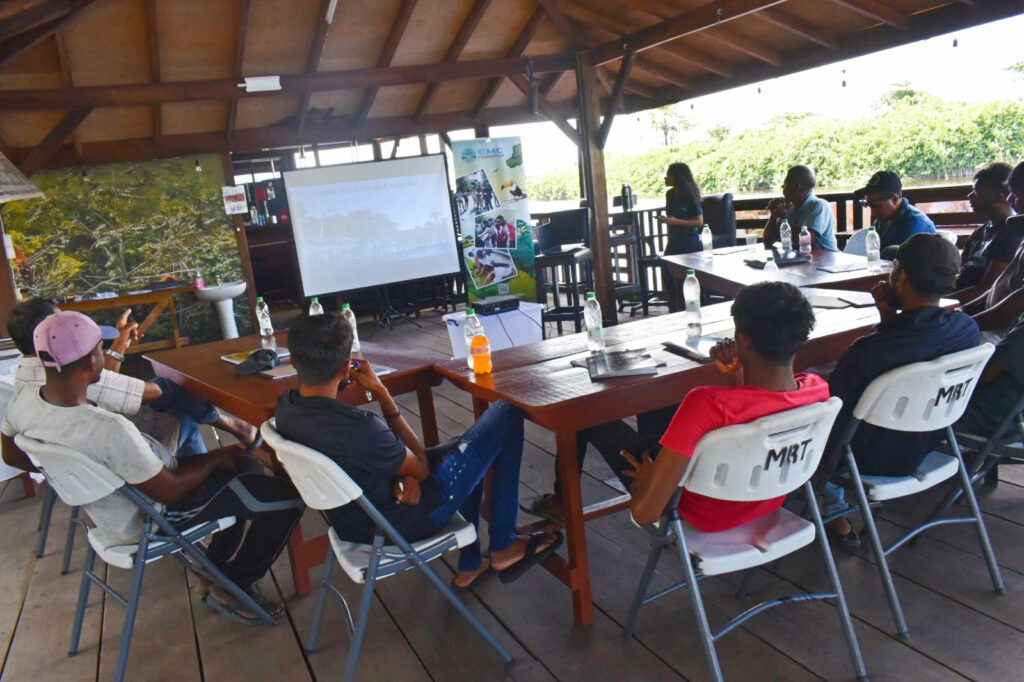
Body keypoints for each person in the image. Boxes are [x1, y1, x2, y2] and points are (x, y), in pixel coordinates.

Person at [0, 311, 303, 623]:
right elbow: (170, 491)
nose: (104, 356)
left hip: (119, 504)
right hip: (149, 517)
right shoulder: (106, 428)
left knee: (246, 467)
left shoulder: (23, 402)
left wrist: (69, 473)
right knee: (287, 498)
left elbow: (12, 456)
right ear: (92, 361)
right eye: (101, 350)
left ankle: (216, 571)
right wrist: (214, 458)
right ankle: (234, 585)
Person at [273, 313, 562, 589]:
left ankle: (470, 564)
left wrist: (400, 477)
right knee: (507, 410)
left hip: (358, 521)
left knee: (467, 446)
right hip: (406, 522)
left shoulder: (286, 410)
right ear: (346, 368)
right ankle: (503, 543)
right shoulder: (360, 429)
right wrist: (382, 394)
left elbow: (368, 463)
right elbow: (421, 467)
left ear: (294, 362)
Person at [525, 283, 826, 532]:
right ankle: (661, 463)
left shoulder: (705, 403)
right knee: (658, 409)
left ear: (744, 340)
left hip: (691, 512)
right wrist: (735, 377)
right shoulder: (817, 390)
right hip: (763, 501)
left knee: (586, 414)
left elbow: (644, 515)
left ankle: (563, 503)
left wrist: (649, 482)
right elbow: (753, 410)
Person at [823, 233, 979, 545]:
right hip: (927, 445)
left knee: (809, 419)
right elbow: (907, 345)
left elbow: (833, 411)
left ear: (902, 277)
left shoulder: (868, 351)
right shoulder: (967, 330)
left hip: (867, 458)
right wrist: (887, 318)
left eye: (894, 267)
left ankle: (834, 512)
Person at [5, 298, 259, 459]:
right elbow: (136, 391)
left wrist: (58, 466)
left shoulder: (25, 380)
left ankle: (232, 431)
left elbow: (102, 382)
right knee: (178, 407)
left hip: (80, 464)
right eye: (62, 321)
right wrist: (118, 347)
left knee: (166, 391)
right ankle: (205, 478)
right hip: (127, 460)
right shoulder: (70, 379)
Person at [959, 162, 1024, 334]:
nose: (1010, 199)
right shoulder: (981, 232)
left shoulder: (1012, 234)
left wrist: (960, 324)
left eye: (1017, 194)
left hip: (1000, 330)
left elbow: (1008, 307)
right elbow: (995, 288)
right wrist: (957, 313)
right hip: (982, 318)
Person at [954, 162, 1019, 294]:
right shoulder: (978, 233)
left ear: (1001, 196)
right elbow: (959, 271)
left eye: (976, 192)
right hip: (962, 296)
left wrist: (945, 302)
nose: (970, 196)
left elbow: (987, 289)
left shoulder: (1012, 234)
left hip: (981, 302)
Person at [854, 171, 936, 251]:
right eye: (867, 204)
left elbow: (904, 258)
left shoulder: (915, 224)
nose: (872, 211)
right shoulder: (881, 220)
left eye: (874, 204)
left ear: (894, 199)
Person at [763, 165, 838, 252]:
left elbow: (803, 243)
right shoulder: (790, 208)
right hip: (802, 259)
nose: (782, 187)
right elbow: (768, 241)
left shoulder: (820, 206)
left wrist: (784, 218)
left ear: (798, 186)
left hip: (827, 259)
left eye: (786, 182)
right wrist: (774, 216)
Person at [657, 162, 704, 255]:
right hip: (673, 240)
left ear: (677, 176)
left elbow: (699, 222)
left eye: (668, 175)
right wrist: (666, 219)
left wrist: (676, 221)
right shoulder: (670, 194)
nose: (666, 178)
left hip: (689, 241)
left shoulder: (689, 194)